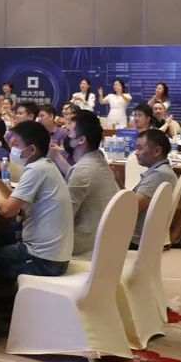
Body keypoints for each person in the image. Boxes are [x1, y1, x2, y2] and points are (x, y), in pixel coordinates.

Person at [0, 121, 74, 286]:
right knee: (1, 243)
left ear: (32, 149)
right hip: (55, 257)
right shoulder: (46, 166)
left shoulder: (35, 170)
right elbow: (17, 199)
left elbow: (7, 210)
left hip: (44, 261)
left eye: (17, 145)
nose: (13, 148)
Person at [60, 110, 119, 257]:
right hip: (106, 241)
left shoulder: (82, 171)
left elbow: (63, 216)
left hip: (83, 246)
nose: (66, 137)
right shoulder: (100, 161)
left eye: (69, 132)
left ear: (81, 140)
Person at [131, 129, 178, 249]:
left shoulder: (159, 174)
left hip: (134, 239)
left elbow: (132, 208)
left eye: (140, 148)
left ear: (157, 151)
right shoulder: (162, 171)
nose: (136, 153)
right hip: (141, 236)